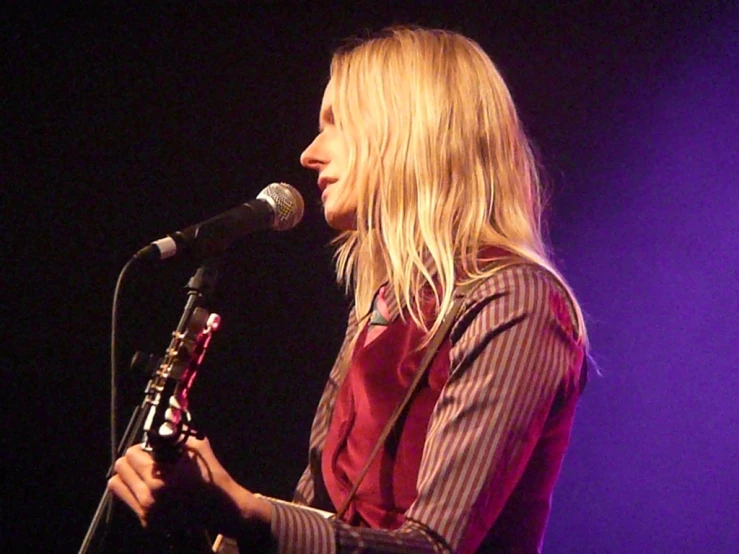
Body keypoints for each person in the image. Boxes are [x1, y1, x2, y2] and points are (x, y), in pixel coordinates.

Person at [108, 26, 588, 554]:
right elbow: (327, 517)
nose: (310, 154)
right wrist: (199, 513)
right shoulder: (380, 306)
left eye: (335, 124)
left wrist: (248, 511)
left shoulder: (515, 301)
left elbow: (434, 547)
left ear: (409, 130)